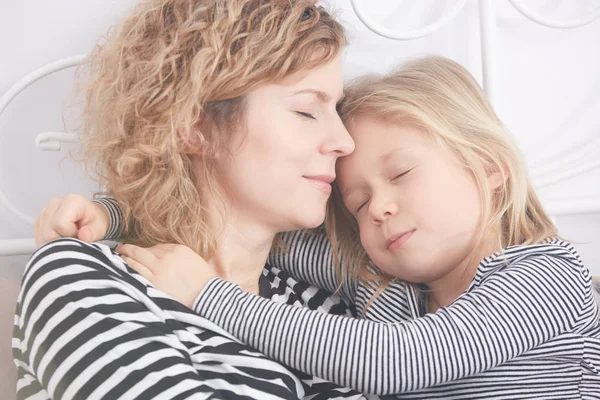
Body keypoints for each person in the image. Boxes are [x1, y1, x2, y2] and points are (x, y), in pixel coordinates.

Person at [40, 56, 600, 399]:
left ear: (489, 168)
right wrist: (115, 215)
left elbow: (398, 361)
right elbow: (250, 232)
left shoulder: (544, 274)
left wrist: (211, 297)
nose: (377, 210)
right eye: (355, 203)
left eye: (401, 173)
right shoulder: (384, 286)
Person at [13, 0, 377, 398]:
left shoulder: (319, 307)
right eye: (307, 111)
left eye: (337, 109)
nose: (345, 142)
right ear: (194, 126)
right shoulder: (82, 278)